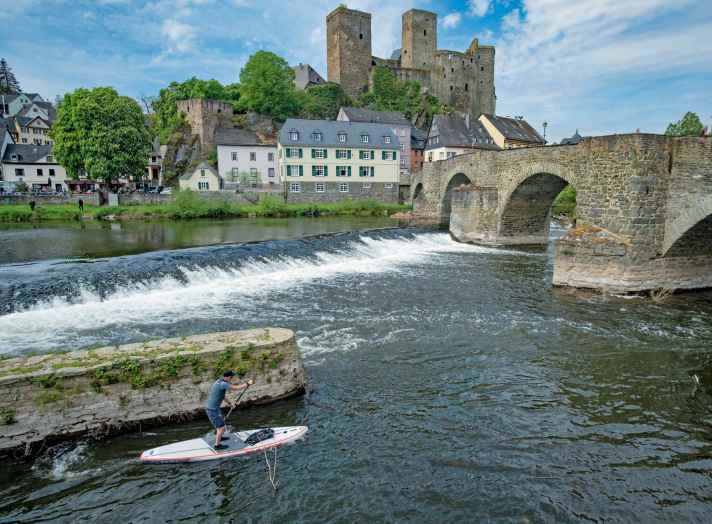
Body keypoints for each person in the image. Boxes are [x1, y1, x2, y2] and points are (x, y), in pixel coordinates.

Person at [205, 371, 253, 449]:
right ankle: (217, 445)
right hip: (212, 410)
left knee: (221, 423)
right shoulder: (223, 384)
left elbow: (222, 396)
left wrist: (230, 404)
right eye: (231, 377)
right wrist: (247, 384)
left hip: (214, 408)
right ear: (227, 377)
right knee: (221, 427)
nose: (231, 379)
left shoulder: (219, 381)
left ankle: (220, 436)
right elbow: (235, 388)